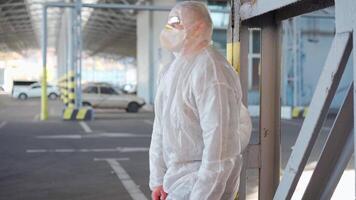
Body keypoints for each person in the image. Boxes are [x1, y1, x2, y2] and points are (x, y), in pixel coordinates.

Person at [149, 1, 252, 200]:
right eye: (170, 23)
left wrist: (203, 195)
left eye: (177, 23)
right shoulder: (169, 72)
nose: (171, 29)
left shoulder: (211, 70)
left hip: (202, 185)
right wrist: (158, 179)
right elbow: (160, 129)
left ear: (199, 28)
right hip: (175, 182)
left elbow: (220, 150)